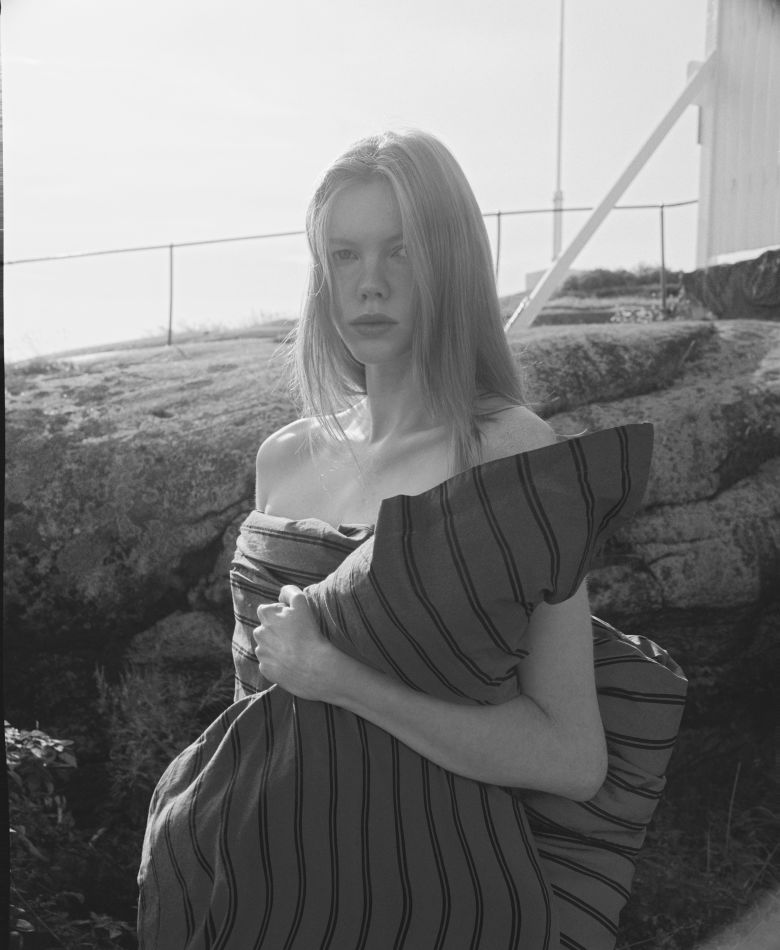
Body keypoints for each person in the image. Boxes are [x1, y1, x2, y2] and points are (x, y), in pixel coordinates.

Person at [138, 130, 685, 950]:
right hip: (266, 894)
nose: (371, 283)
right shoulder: (283, 459)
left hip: (437, 900)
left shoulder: (508, 451)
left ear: (451, 262)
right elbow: (260, 708)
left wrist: (337, 676)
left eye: (401, 250)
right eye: (345, 255)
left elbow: (572, 758)